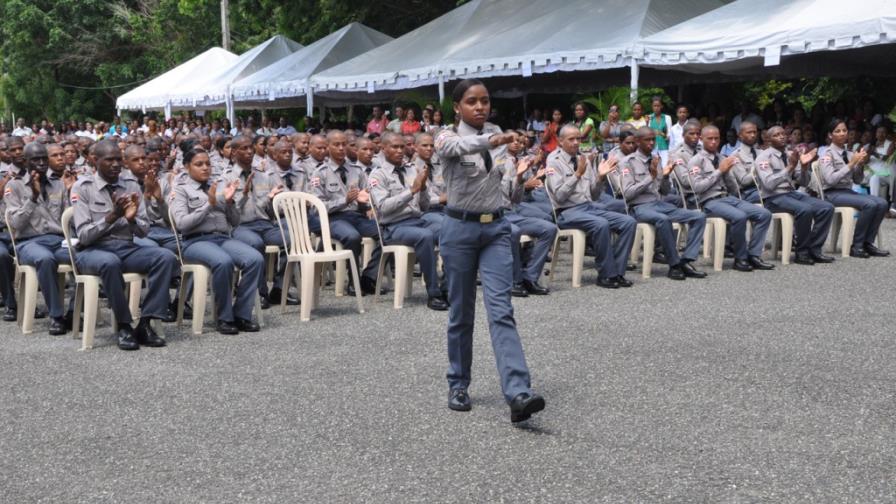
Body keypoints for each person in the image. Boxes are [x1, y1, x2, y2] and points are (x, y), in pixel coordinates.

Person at [435, 78, 545, 423]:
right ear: (457, 107)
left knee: (501, 310)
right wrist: (496, 140)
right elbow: (456, 149)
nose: (480, 107)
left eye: (484, 101)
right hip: (459, 229)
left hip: (496, 228)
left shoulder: (501, 138)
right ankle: (458, 383)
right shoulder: (446, 135)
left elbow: (508, 191)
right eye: (472, 101)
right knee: (461, 311)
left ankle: (518, 393)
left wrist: (522, 177)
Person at [70, 140, 178, 350]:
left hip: (125, 247)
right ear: (94, 160)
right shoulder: (82, 187)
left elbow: (145, 230)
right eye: (109, 160)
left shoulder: (130, 185)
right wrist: (112, 217)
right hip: (93, 251)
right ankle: (124, 325)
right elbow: (83, 236)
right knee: (109, 262)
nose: (115, 164)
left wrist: (131, 220)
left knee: (164, 257)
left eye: (118, 159)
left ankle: (145, 324)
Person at [171, 146, 264, 334]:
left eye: (207, 164)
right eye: (199, 164)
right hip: (195, 242)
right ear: (187, 167)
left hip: (222, 238)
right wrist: (209, 204)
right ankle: (224, 317)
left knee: (255, 259)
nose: (205, 168)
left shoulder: (219, 186)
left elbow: (235, 221)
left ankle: (242, 315)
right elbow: (182, 224)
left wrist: (229, 203)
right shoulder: (181, 190)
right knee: (223, 262)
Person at [546, 124, 636, 289]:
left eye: (578, 139)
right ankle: (606, 275)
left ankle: (616, 271)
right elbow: (559, 196)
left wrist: (601, 177)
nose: (575, 143)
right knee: (601, 224)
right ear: (560, 141)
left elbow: (593, 195)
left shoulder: (583, 159)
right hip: (566, 212)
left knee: (628, 222)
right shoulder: (554, 161)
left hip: (589, 207)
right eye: (571, 139)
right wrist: (577, 174)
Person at [368, 132, 447, 311]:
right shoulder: (377, 176)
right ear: (383, 148)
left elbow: (425, 205)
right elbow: (383, 208)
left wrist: (424, 188)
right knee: (425, 236)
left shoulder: (412, 169)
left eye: (402, 147)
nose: (399, 151)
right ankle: (434, 293)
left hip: (417, 220)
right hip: (393, 227)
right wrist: (411, 191)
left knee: (449, 229)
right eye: (394, 147)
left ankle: (448, 287)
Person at [5, 143, 75, 334]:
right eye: (36, 159)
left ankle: (73, 311)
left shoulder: (58, 184)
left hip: (57, 239)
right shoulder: (14, 186)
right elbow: (15, 224)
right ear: (25, 161)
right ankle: (56, 315)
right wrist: (33, 197)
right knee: (45, 259)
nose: (42, 163)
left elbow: (69, 218)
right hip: (28, 243)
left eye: (44, 158)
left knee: (84, 256)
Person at [618, 128, 707, 280]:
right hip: (639, 207)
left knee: (699, 216)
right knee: (663, 220)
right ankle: (674, 265)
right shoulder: (628, 162)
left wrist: (665, 177)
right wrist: (650, 178)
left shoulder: (655, 159)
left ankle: (686, 260)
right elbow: (627, 194)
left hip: (659, 203)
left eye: (653, 139)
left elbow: (664, 191)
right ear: (638, 142)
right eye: (647, 140)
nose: (651, 143)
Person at [686, 125, 774, 272]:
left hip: (728, 198)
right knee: (739, 217)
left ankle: (753, 255)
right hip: (709, 201)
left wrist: (737, 197)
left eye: (717, 139)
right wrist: (719, 171)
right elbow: (698, 188)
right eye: (710, 139)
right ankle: (740, 258)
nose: (714, 142)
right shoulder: (696, 161)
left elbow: (732, 185)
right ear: (702, 139)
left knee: (764, 214)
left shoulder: (722, 157)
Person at [222, 136, 295, 306]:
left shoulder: (264, 175)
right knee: (256, 243)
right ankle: (260, 292)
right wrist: (245, 194)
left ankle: (279, 288)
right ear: (233, 152)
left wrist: (273, 200)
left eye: (251, 148)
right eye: (244, 148)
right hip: (240, 226)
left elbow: (271, 212)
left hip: (265, 224)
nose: (249, 152)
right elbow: (229, 213)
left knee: (292, 240)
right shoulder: (227, 178)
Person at [310, 131, 382, 295]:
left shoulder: (356, 170)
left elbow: (366, 195)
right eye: (336, 145)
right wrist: (345, 200)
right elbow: (317, 207)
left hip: (356, 216)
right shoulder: (320, 173)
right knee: (352, 236)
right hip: (333, 219)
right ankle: (353, 281)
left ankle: (368, 276)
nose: (341, 148)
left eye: (344, 144)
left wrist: (368, 206)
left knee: (386, 233)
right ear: (328, 147)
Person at [755, 126, 833, 265]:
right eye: (776, 135)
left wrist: (803, 168)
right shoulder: (764, 157)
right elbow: (768, 184)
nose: (781, 137)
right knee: (804, 209)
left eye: (783, 134)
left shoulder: (791, 154)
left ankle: (814, 249)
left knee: (826, 207)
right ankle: (802, 253)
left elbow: (804, 182)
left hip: (791, 194)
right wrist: (789, 167)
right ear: (769, 139)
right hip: (773, 198)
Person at [816, 120, 889, 258]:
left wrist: (860, 165)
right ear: (830, 135)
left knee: (882, 203)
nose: (842, 133)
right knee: (869, 204)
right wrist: (851, 164)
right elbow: (830, 180)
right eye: (837, 131)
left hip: (847, 192)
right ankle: (857, 245)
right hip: (832, 193)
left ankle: (868, 243)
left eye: (844, 130)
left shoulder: (849, 153)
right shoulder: (827, 155)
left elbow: (857, 180)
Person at [500, 133, 555, 296]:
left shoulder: (511, 163)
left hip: (510, 211)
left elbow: (515, 198)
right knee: (514, 232)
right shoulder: (483, 166)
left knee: (549, 228)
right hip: (493, 215)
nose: (516, 144)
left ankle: (529, 277)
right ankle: (514, 280)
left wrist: (518, 178)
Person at [729, 121, 762, 203]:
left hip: (764, 188)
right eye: (749, 132)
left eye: (754, 132)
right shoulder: (735, 156)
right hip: (748, 193)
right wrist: (758, 167)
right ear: (740, 135)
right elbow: (744, 181)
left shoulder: (761, 152)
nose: (753, 135)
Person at [865, 125, 894, 203]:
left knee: (875, 178)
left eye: (883, 132)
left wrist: (874, 153)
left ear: (887, 134)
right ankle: (873, 202)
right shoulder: (870, 145)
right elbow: (865, 161)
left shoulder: (890, 144)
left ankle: (876, 203)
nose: (881, 134)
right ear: (876, 134)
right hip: (873, 173)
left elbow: (887, 158)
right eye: (879, 132)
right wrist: (868, 152)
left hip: (887, 174)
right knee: (873, 178)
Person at [648, 97, 672, 165]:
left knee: (665, 166)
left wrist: (662, 134)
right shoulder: (649, 118)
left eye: (658, 106)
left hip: (664, 146)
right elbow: (647, 133)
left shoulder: (667, 118)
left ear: (661, 106)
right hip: (652, 146)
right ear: (652, 107)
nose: (656, 108)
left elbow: (669, 135)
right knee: (652, 166)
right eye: (654, 106)